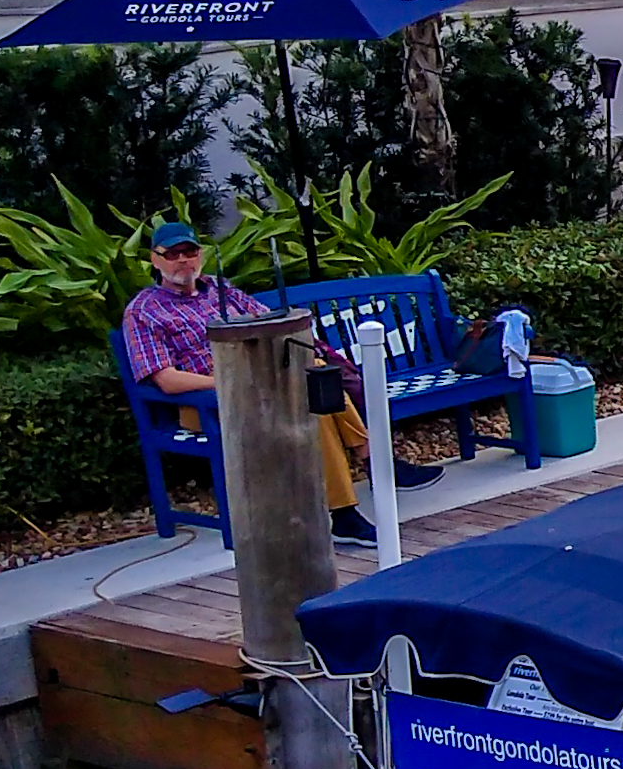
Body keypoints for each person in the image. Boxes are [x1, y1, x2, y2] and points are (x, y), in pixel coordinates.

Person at [120, 222, 433, 550]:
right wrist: (229, 380)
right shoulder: (144, 312)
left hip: (263, 385)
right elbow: (166, 380)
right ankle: (368, 469)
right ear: (154, 260)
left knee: (315, 384)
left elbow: (274, 321)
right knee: (311, 395)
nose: (183, 260)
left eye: (190, 251)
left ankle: (347, 508)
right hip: (209, 403)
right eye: (172, 254)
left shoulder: (220, 288)